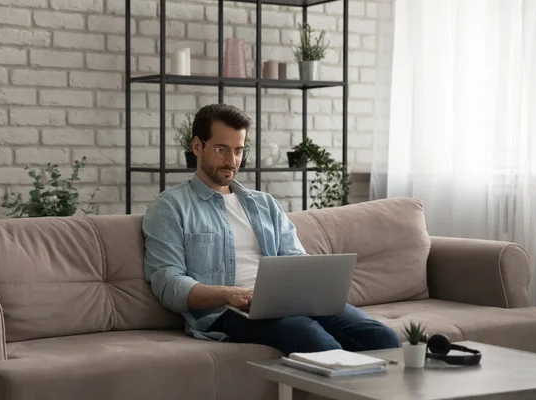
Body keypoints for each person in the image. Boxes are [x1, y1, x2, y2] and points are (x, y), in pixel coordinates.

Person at [142, 103, 401, 355]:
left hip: (288, 302)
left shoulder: (264, 204)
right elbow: (169, 285)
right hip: (225, 313)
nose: (231, 161)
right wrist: (229, 295)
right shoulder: (171, 207)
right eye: (221, 149)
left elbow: (296, 260)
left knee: (382, 337)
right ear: (197, 146)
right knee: (314, 339)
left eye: (238, 151)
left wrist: (309, 289)